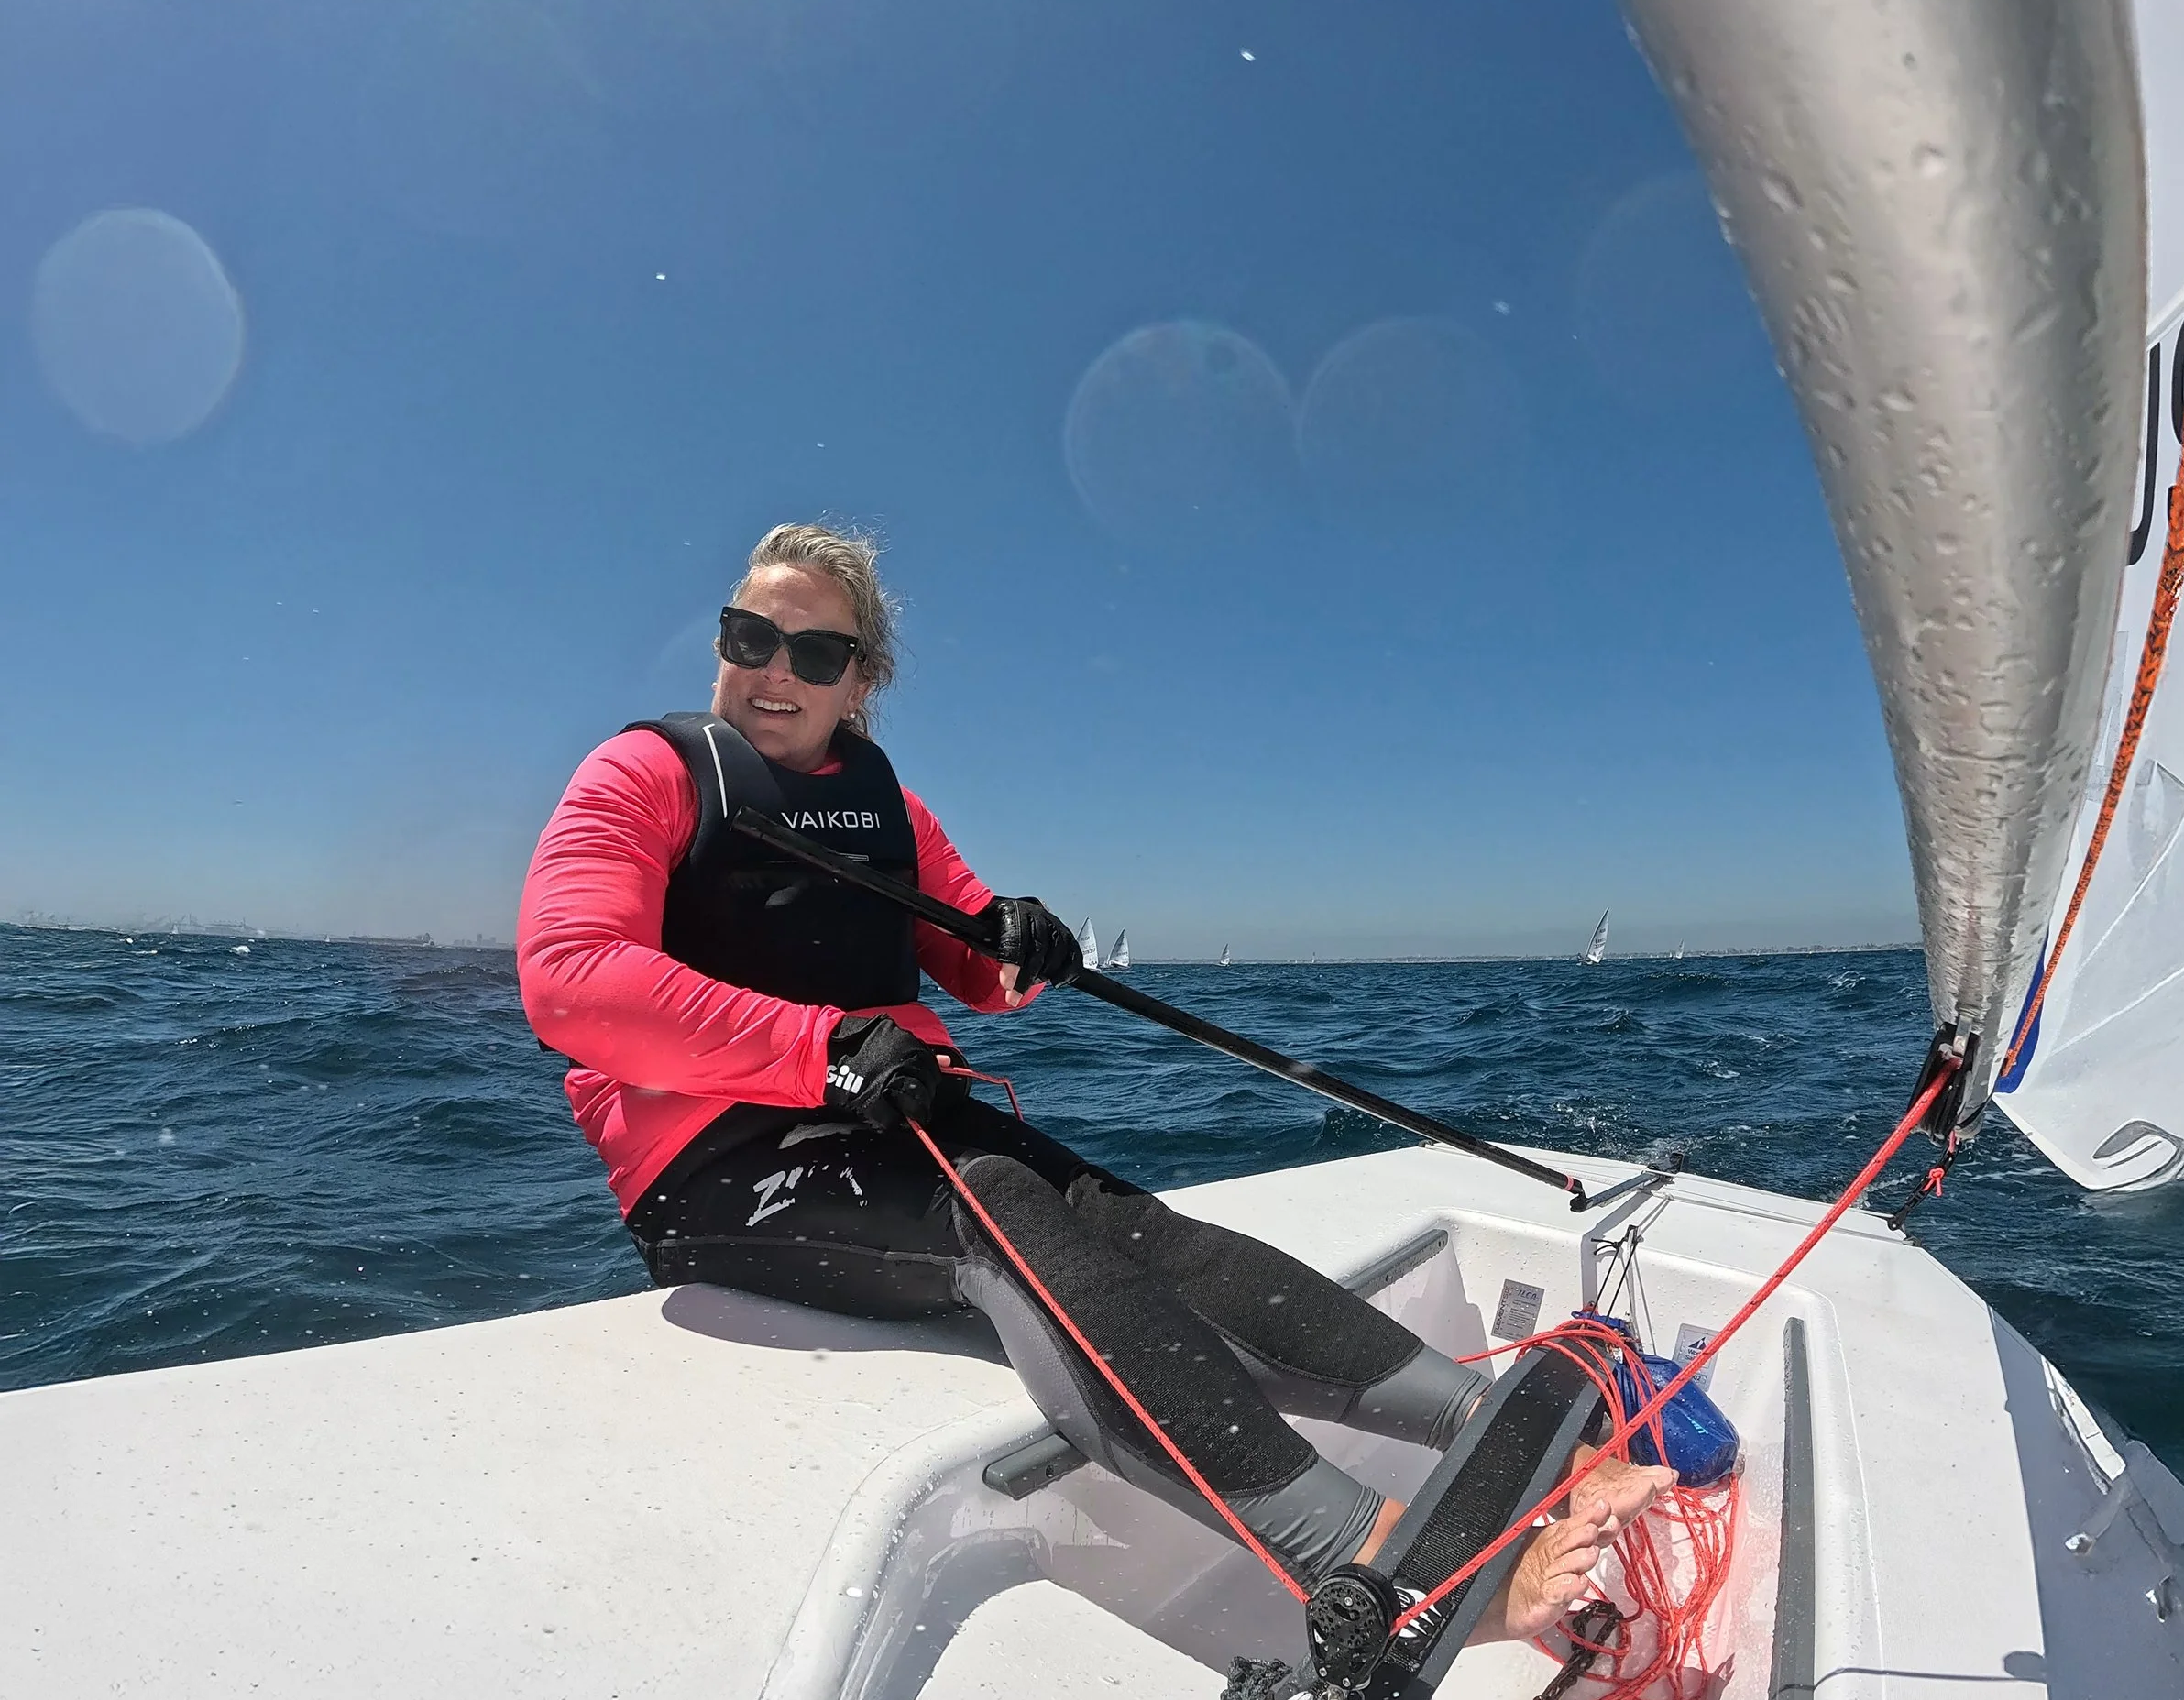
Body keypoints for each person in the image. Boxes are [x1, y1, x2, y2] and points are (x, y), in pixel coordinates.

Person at [518, 522, 1670, 1637]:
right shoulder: (645, 774)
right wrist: (816, 1048)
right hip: (719, 1166)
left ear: (859, 681)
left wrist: (1022, 943)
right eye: (748, 637)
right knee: (1002, 1219)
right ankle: (1381, 1569)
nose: (774, 671)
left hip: (902, 1116)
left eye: (814, 653)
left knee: (1144, 1230)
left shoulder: (884, 806)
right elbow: (569, 977)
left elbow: (973, 957)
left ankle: (1516, 1439)